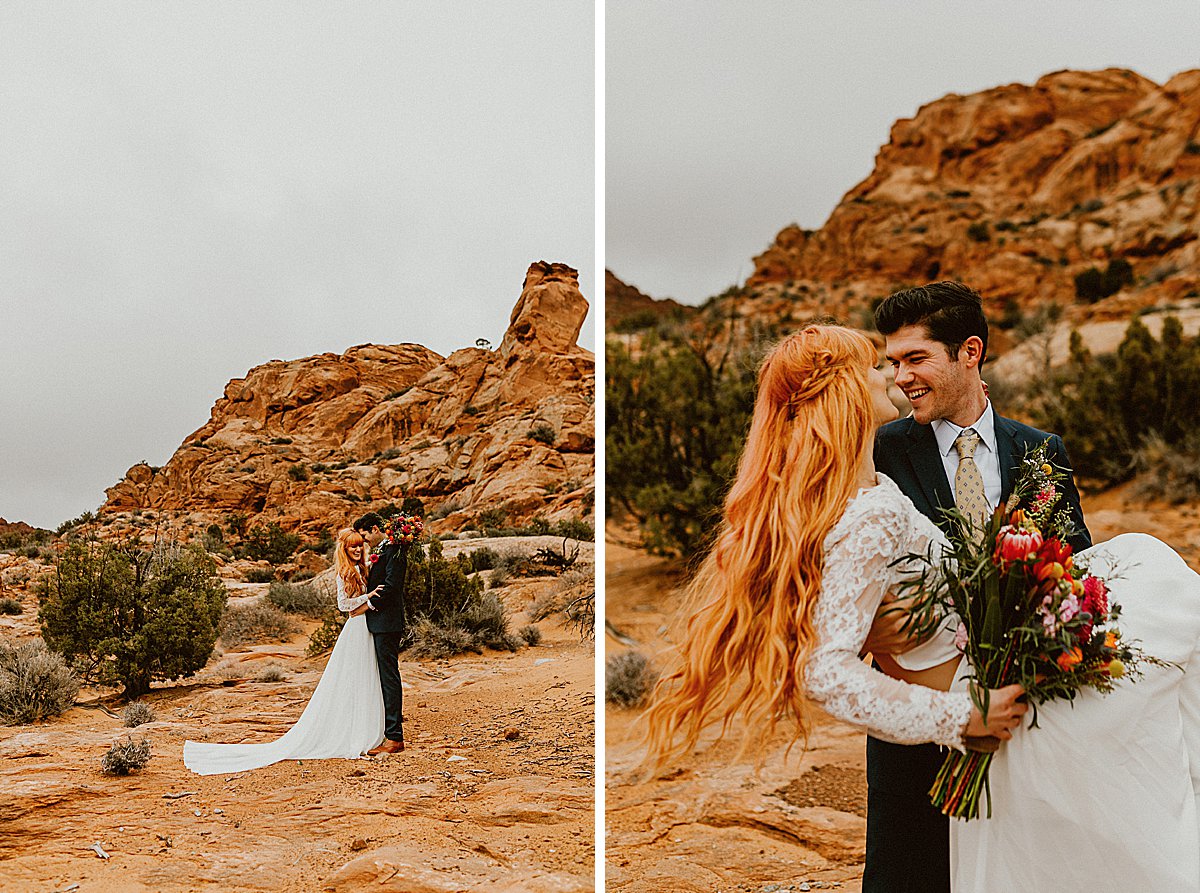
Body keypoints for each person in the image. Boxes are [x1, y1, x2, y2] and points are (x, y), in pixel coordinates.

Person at [641, 323, 1200, 891]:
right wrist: (962, 718)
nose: (890, 376)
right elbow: (822, 670)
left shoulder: (873, 488)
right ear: (844, 392)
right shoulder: (871, 515)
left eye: (905, 361)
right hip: (985, 711)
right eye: (875, 367)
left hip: (1009, 684)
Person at [864, 281, 1091, 893]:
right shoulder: (878, 453)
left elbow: (1077, 575)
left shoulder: (1043, 453)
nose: (900, 377)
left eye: (916, 359)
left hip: (1020, 721)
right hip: (913, 721)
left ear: (970, 352)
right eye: (893, 363)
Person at [183, 527, 385, 775]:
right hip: (355, 629)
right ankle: (350, 732)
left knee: (365, 677)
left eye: (358, 545)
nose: (356, 549)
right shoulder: (343, 572)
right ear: (344, 549)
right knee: (351, 678)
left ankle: (365, 727)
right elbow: (344, 606)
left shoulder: (361, 568)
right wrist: (369, 599)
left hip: (365, 626)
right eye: (351, 546)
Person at [353, 511, 409, 754]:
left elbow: (391, 587)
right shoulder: (385, 550)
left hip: (386, 623)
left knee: (388, 677)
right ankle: (385, 731)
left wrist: (367, 605)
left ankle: (395, 737)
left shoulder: (394, 550)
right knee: (382, 677)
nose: (365, 542)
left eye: (365, 535)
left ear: (375, 528)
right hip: (380, 623)